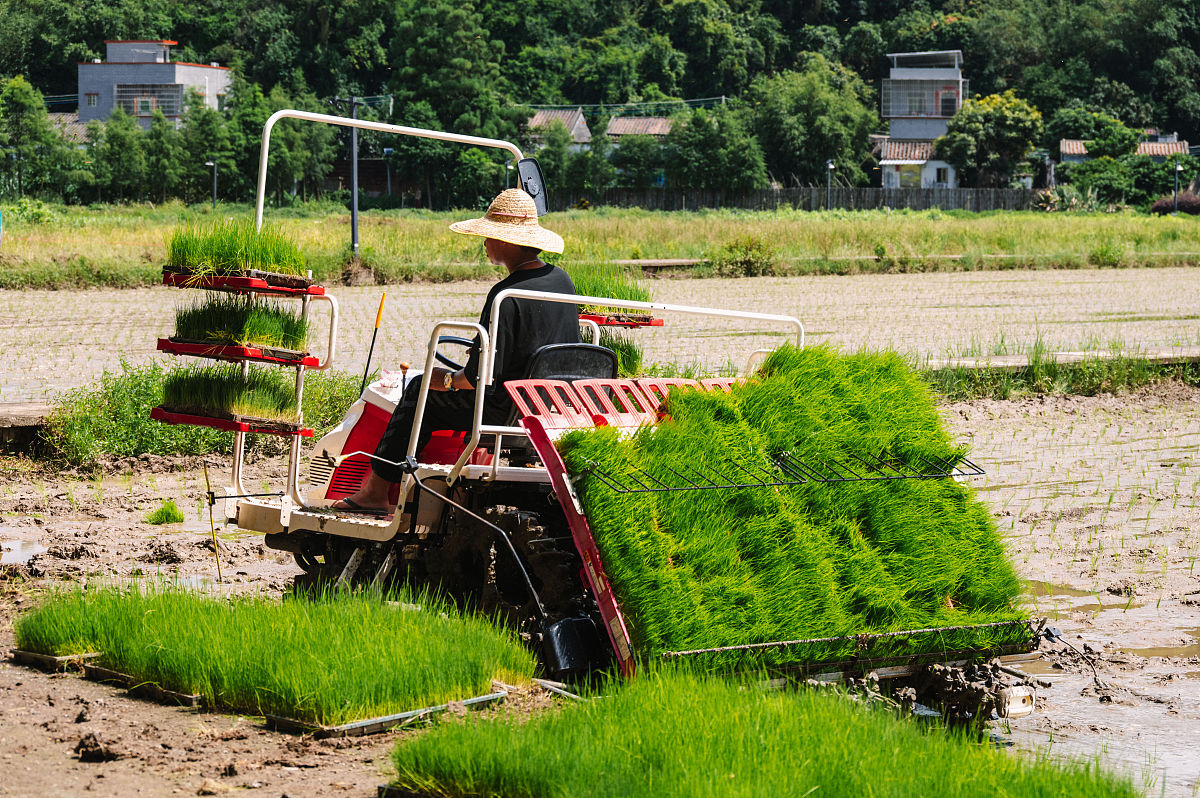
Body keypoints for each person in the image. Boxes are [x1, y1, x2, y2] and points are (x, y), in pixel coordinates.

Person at [333, 188, 578, 515]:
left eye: (488, 236)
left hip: (504, 409)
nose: (485, 244)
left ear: (506, 241)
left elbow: (476, 377)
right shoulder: (562, 282)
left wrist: (444, 380)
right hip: (546, 405)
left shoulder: (505, 294)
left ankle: (375, 491)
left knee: (420, 389)